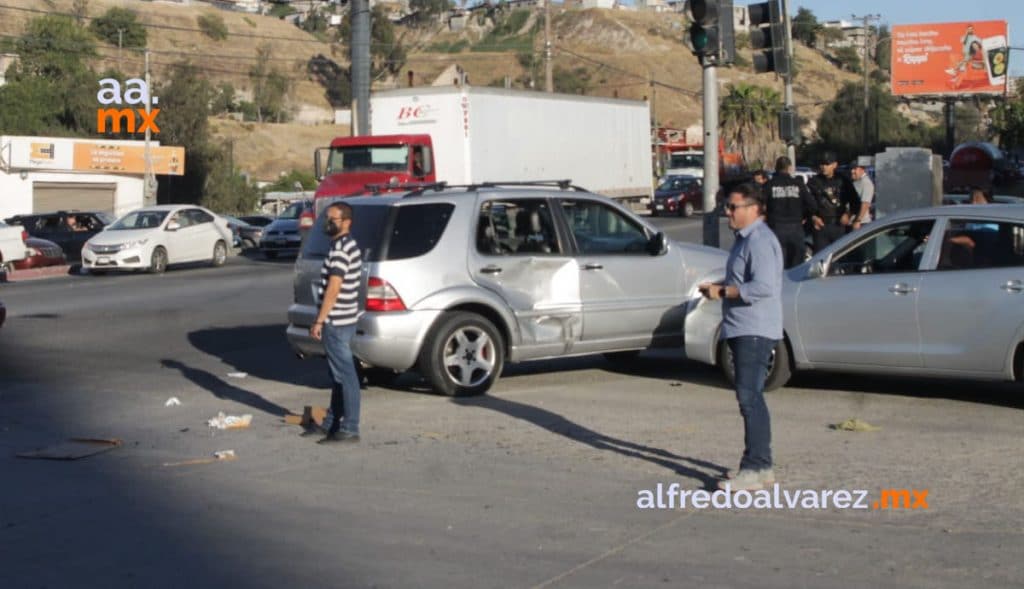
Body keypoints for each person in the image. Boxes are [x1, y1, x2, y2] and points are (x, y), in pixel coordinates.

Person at [698, 183, 783, 492]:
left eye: (733, 207)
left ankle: (756, 467)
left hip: (754, 329)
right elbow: (743, 280)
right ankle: (761, 466)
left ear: (754, 209)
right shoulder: (745, 240)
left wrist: (723, 291)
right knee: (750, 398)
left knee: (750, 398)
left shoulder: (759, 240)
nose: (728, 213)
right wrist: (719, 286)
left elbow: (763, 287)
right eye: (728, 207)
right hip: (742, 326)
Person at [308, 202, 364, 445]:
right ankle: (331, 422)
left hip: (337, 320)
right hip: (345, 318)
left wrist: (320, 319)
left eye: (333, 219)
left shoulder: (342, 249)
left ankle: (350, 428)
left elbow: (334, 286)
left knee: (345, 375)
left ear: (346, 222)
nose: (327, 223)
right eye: (327, 218)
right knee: (338, 374)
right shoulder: (342, 245)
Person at [765, 156, 817, 268]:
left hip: (776, 227)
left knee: (778, 264)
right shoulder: (798, 184)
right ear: (789, 168)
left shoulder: (769, 185)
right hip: (796, 227)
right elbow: (812, 205)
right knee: (797, 265)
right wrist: (805, 216)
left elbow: (760, 204)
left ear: (776, 168)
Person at [806, 151, 859, 253]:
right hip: (821, 227)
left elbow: (856, 202)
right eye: (822, 164)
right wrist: (813, 217)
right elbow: (805, 203)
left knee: (840, 259)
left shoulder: (843, 181)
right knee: (821, 261)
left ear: (835, 165)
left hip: (839, 227)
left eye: (827, 164)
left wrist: (848, 214)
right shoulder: (813, 182)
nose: (824, 167)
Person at [849, 161, 875, 231]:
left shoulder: (866, 183)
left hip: (861, 224)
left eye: (855, 169)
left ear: (862, 170)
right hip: (851, 221)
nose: (852, 171)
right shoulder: (856, 181)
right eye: (851, 168)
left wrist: (858, 221)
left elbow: (865, 203)